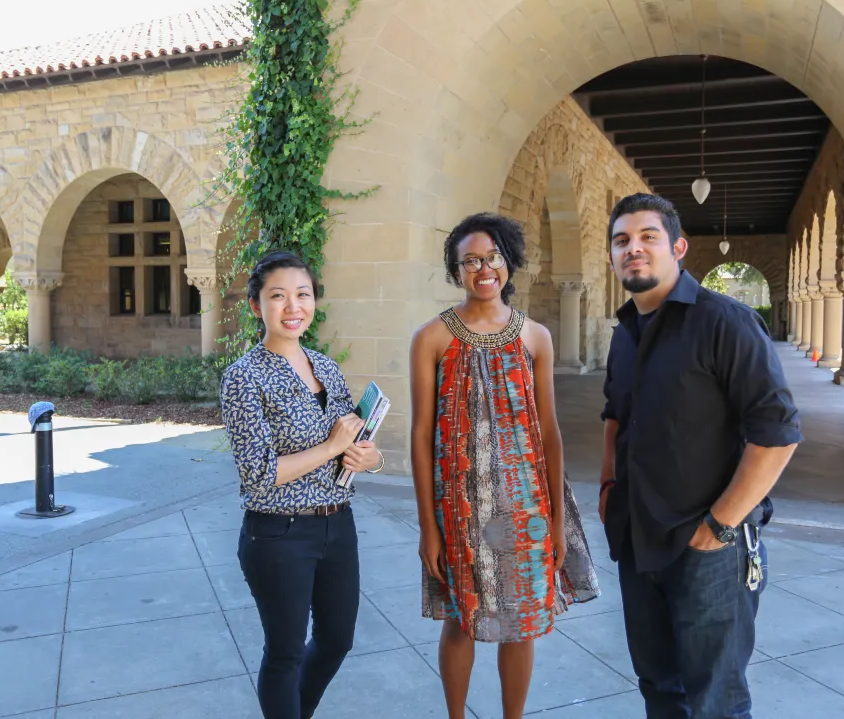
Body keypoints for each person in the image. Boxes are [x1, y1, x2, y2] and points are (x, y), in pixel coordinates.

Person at [599, 193, 803, 719]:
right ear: (612, 256)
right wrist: (607, 487)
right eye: (622, 240)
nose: (633, 249)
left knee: (716, 700)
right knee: (660, 689)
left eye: (648, 237)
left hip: (709, 547)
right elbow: (614, 416)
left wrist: (721, 525)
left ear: (679, 248)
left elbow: (777, 432)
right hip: (638, 537)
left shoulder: (726, 322)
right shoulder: (625, 333)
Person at [409, 212, 600, 719]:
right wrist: (428, 527)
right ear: (456, 271)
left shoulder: (535, 337)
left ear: (508, 263)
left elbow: (550, 433)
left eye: (491, 257)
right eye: (469, 260)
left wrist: (558, 520)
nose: (483, 268)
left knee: (523, 621)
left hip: (526, 508)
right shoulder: (432, 338)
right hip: (459, 508)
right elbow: (420, 436)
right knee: (460, 619)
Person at [220, 250, 384, 719]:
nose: (293, 306)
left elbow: (355, 434)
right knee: (286, 652)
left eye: (303, 294)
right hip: (278, 533)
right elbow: (258, 473)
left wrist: (368, 457)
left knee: (337, 640)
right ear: (257, 306)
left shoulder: (325, 366)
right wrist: (333, 447)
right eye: (278, 296)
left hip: (338, 525)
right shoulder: (243, 378)